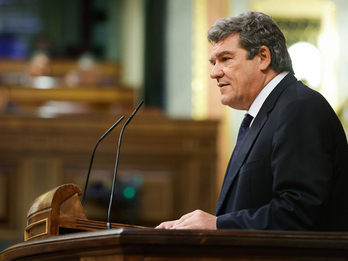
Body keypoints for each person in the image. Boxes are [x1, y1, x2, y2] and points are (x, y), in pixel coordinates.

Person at [156, 11, 348, 231]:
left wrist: (218, 225)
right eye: (213, 62)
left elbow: (300, 211)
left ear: (263, 57)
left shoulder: (299, 107)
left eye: (225, 59)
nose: (214, 73)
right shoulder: (268, 113)